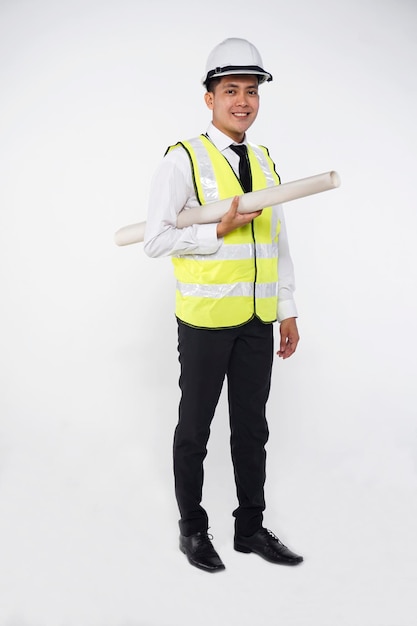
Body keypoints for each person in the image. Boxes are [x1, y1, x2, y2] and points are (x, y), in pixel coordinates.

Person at [144, 37, 303, 573]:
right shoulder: (183, 158)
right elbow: (155, 238)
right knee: (195, 430)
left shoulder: (263, 158)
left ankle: (250, 528)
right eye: (231, 90)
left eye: (251, 91)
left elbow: (276, 239)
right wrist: (217, 230)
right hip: (207, 321)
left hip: (258, 320)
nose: (243, 101)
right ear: (209, 97)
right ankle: (193, 530)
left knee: (251, 428)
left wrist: (287, 308)